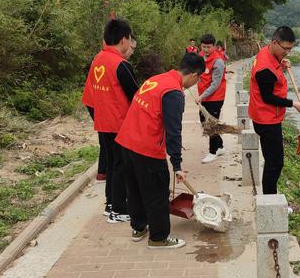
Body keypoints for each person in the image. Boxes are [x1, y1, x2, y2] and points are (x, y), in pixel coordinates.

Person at [115, 52, 205, 249]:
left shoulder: (155, 80)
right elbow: (174, 132)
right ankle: (158, 237)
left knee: (135, 189)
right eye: (198, 80)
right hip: (147, 148)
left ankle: (139, 228)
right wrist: (177, 165)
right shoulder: (173, 92)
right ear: (194, 75)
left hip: (126, 142)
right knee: (157, 193)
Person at [81, 19, 139, 221]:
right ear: (124, 39)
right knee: (121, 165)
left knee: (113, 165)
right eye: (130, 39)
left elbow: (89, 96)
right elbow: (136, 96)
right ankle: (119, 210)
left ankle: (110, 204)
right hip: (119, 123)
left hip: (103, 122)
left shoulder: (98, 59)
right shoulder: (121, 65)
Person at [249, 26, 300, 194]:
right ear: (275, 43)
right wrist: (292, 103)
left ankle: (269, 194)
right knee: (275, 163)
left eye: (291, 48)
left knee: (272, 160)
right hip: (266, 120)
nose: (288, 52)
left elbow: (273, 67)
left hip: (265, 116)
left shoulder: (268, 52)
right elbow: (267, 97)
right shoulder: (264, 68)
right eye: (286, 49)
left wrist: (281, 63)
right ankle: (269, 198)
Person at [195, 34, 227, 164]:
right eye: (204, 46)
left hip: (215, 97)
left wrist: (201, 96)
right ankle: (220, 146)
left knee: (210, 125)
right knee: (204, 122)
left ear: (214, 46)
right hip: (204, 97)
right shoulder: (200, 57)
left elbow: (215, 84)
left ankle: (212, 152)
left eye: (208, 47)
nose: (206, 49)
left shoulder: (218, 62)